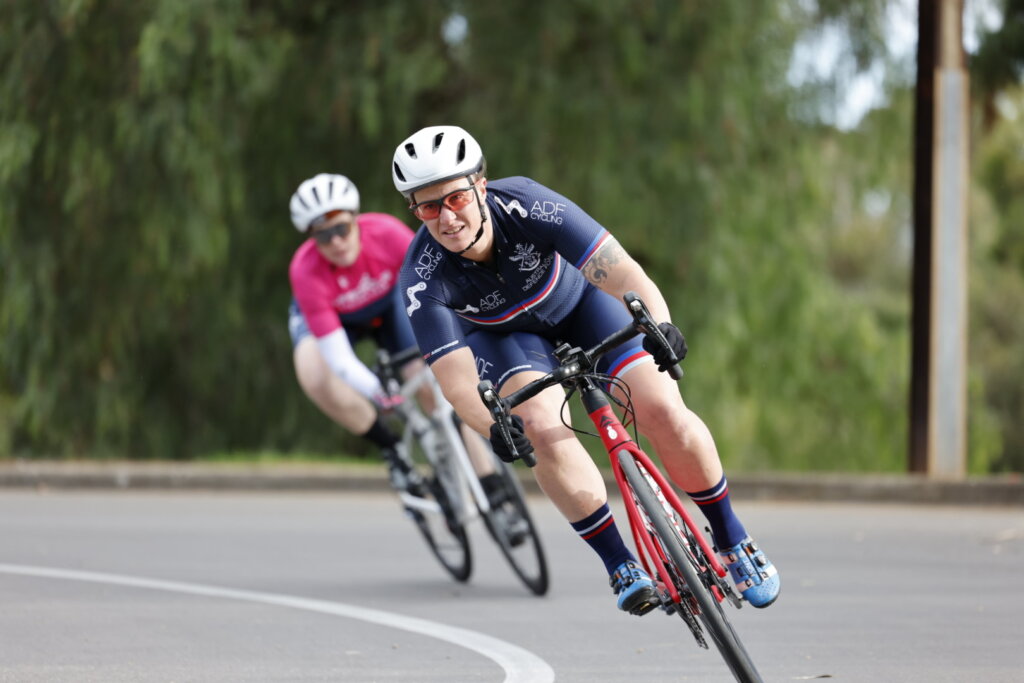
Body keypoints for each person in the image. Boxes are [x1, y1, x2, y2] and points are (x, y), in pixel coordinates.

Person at [391, 126, 780, 615]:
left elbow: (623, 273)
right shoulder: (421, 277)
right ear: (415, 211)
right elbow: (455, 380)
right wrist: (494, 426)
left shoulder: (528, 203)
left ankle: (732, 538)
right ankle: (620, 563)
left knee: (660, 408)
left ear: (481, 186)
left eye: (455, 198)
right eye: (428, 207)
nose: (447, 217)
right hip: (509, 340)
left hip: (581, 306)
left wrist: (659, 324)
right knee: (539, 427)